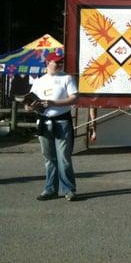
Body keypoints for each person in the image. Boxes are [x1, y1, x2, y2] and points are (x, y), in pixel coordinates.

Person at [27, 52, 79, 201]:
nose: (59, 64)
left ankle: (69, 189)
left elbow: (74, 98)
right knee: (49, 157)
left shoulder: (67, 78)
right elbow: (29, 103)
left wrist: (53, 103)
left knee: (63, 157)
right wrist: (31, 107)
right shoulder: (39, 81)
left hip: (62, 121)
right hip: (43, 121)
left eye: (61, 61)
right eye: (56, 62)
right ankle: (50, 189)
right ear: (47, 62)